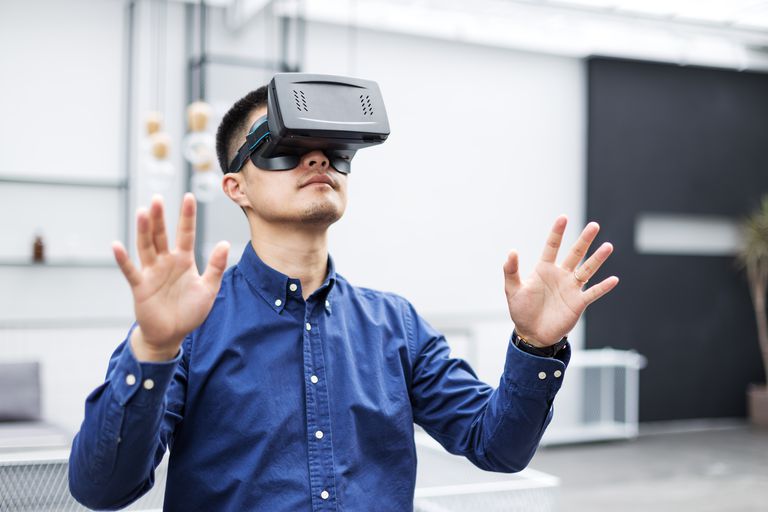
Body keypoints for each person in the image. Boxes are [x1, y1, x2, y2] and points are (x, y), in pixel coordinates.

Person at [69, 85, 618, 511]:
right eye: (283, 148)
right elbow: (102, 489)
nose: (317, 160)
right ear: (236, 186)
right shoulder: (188, 326)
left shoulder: (395, 325)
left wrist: (535, 346)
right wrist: (154, 347)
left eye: (334, 150)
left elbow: (497, 446)